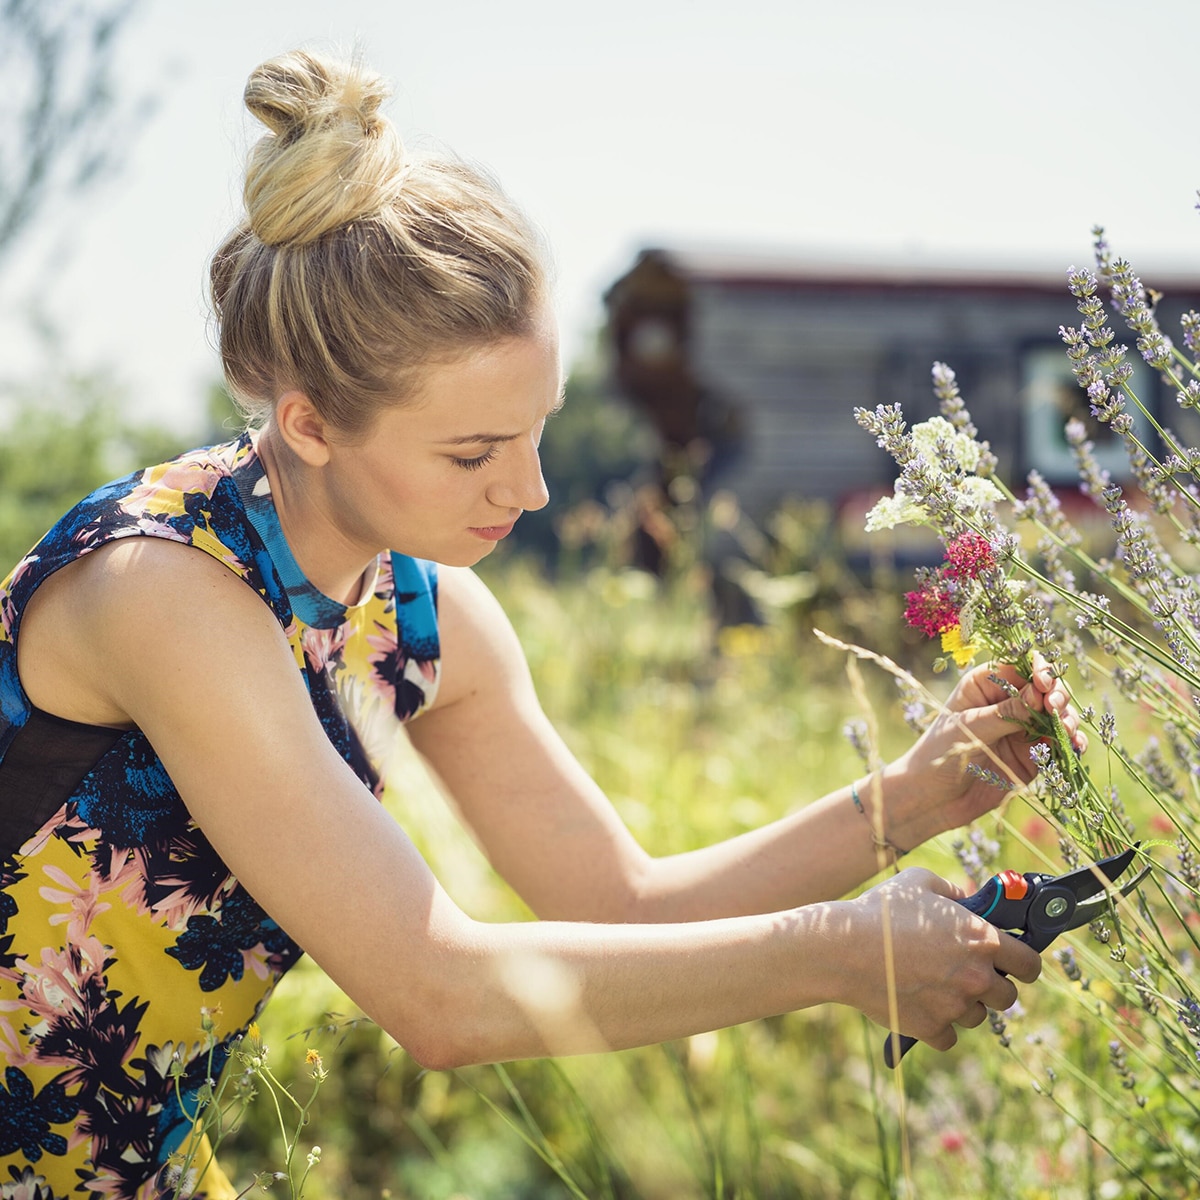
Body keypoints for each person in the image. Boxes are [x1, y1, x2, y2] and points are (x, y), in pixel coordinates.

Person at [0, 49, 1082, 1198]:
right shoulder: (163, 591)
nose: (531, 491)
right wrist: (837, 952)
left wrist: (914, 797)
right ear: (310, 424)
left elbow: (622, 906)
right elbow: (439, 997)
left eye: (537, 430)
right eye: (472, 452)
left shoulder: (424, 618)